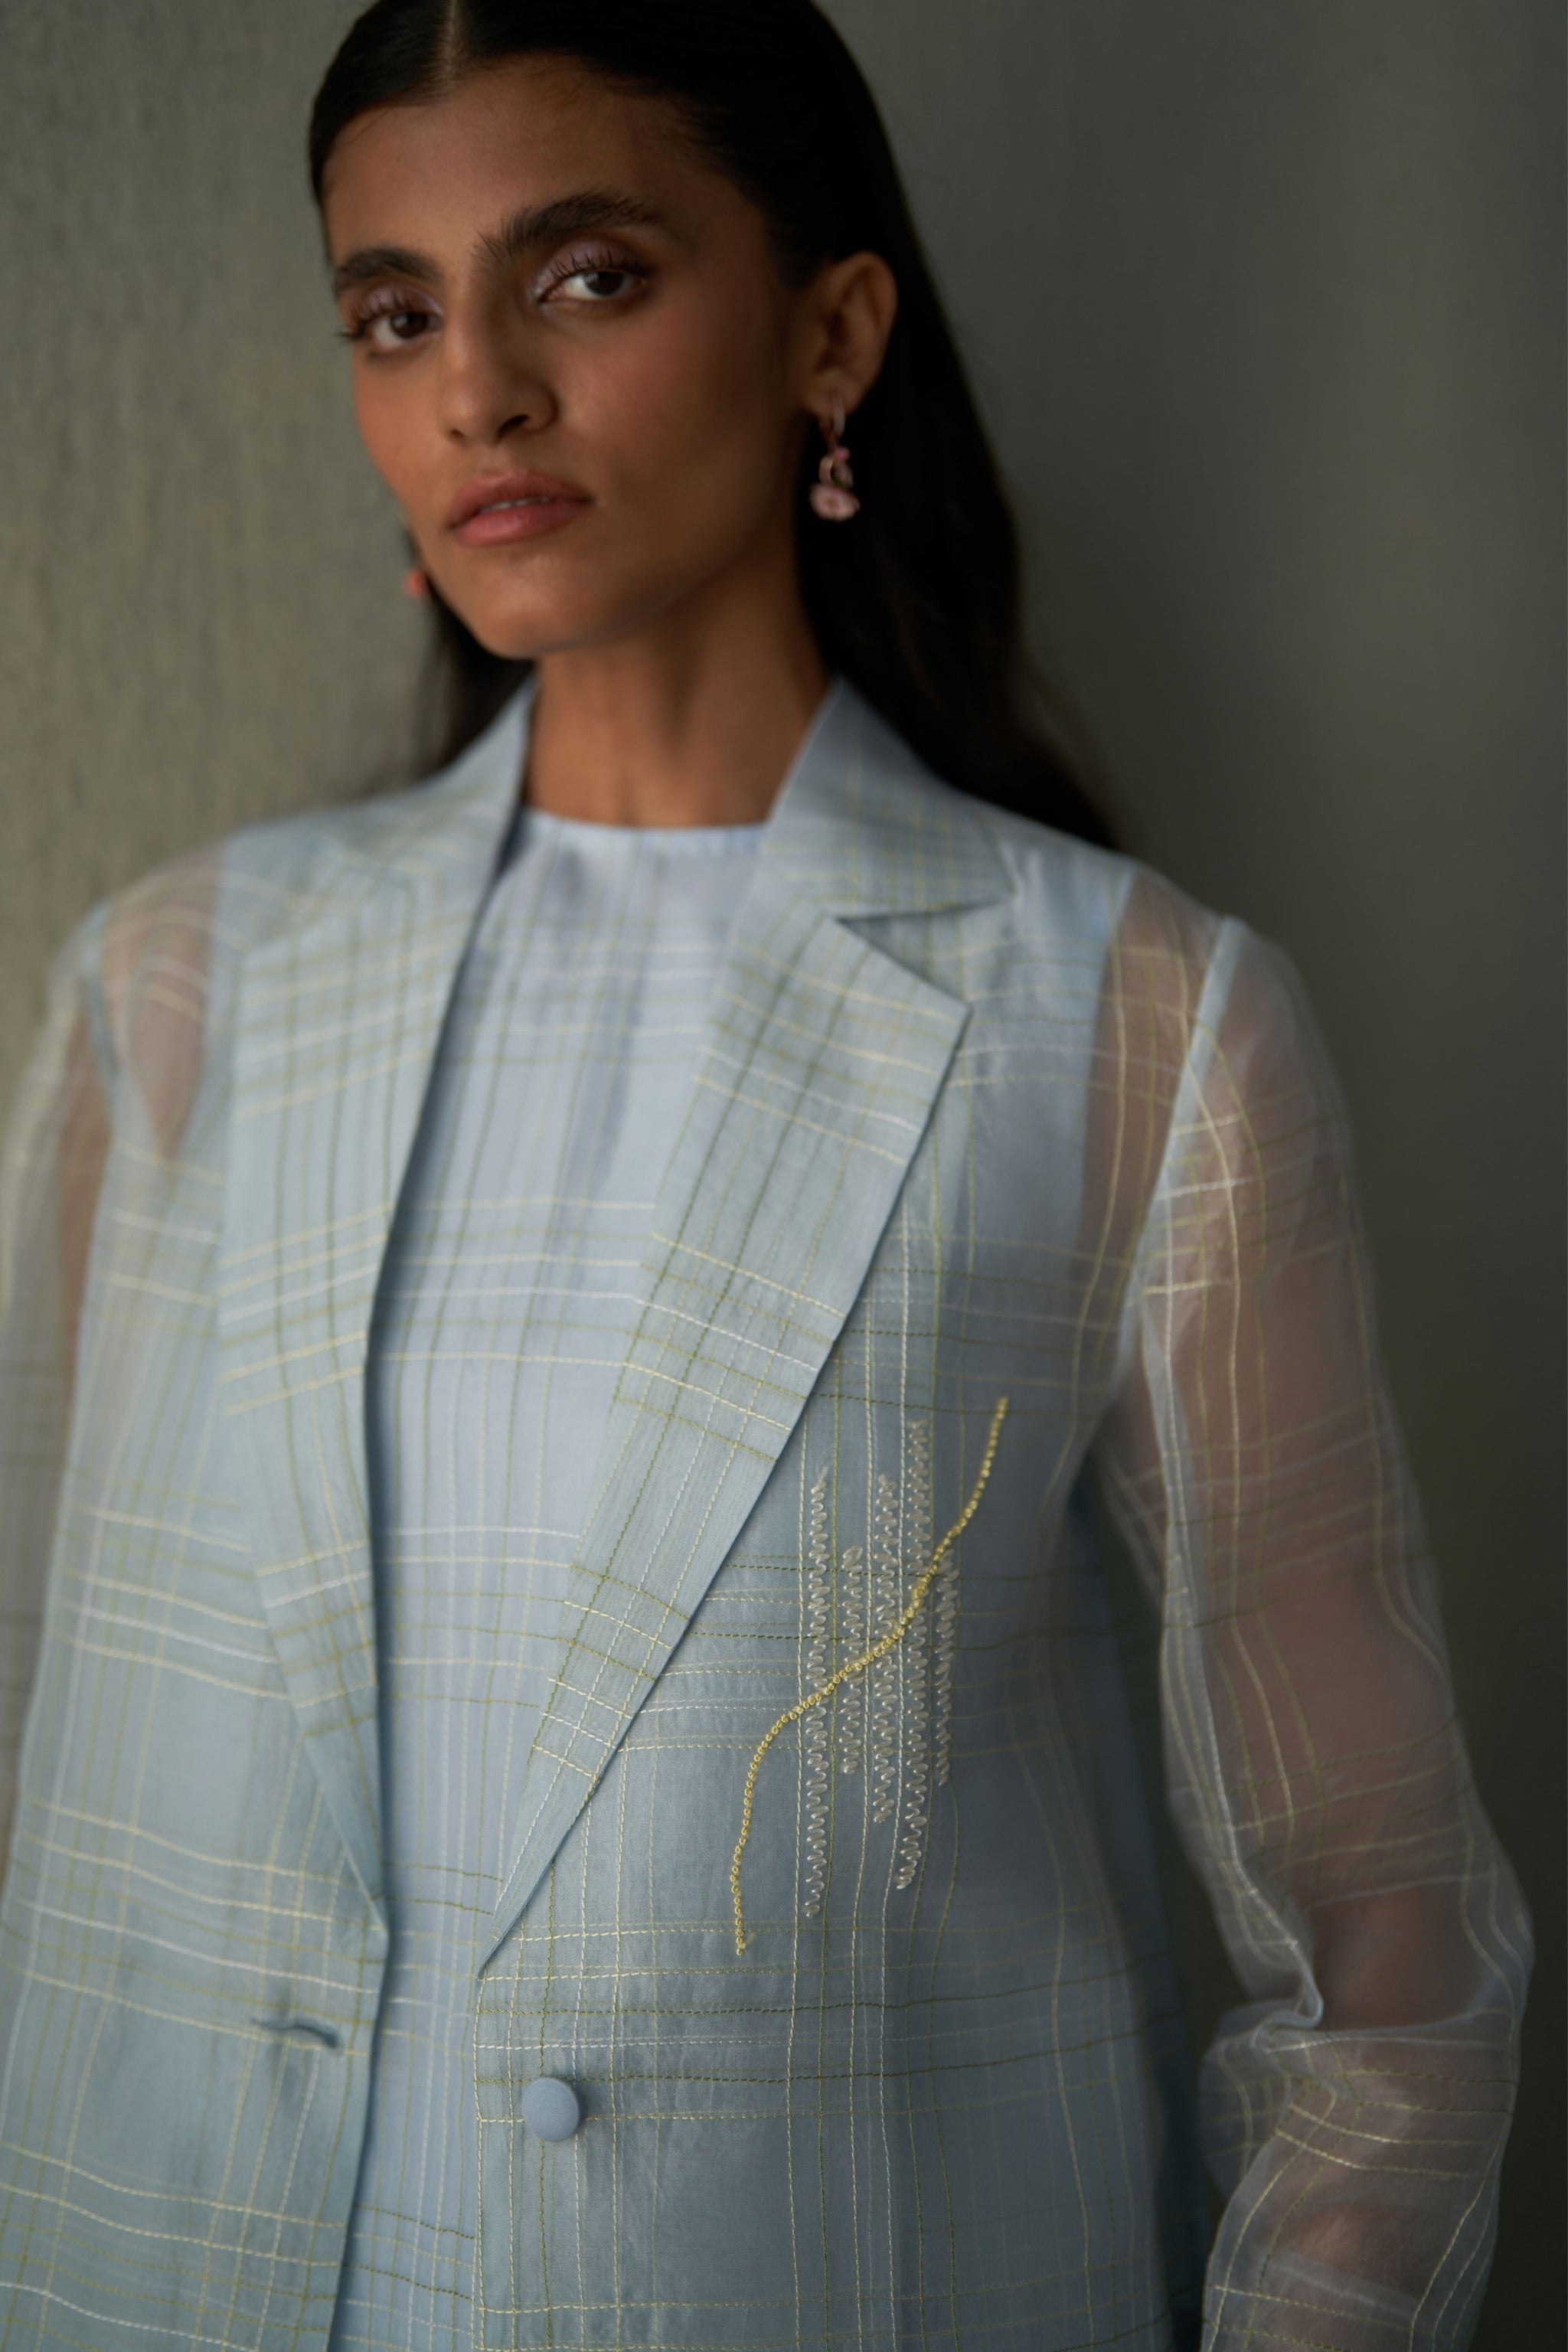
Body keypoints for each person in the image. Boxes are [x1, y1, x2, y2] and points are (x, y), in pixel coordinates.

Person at [0, 3, 1530, 2347]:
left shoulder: (1130, 1020)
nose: (477, 390)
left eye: (586, 276)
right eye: (393, 314)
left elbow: (1380, 1955)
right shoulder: (178, 988)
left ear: (833, 333)